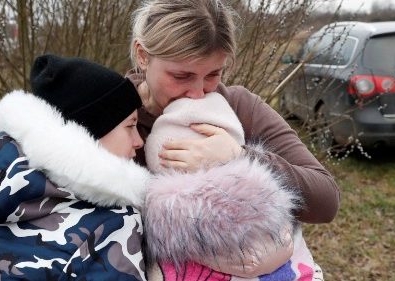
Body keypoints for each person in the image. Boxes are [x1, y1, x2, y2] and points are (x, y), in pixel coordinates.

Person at [128, 0, 340, 226]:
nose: (198, 93)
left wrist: (240, 159)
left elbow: (326, 201)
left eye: (213, 74)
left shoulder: (239, 106)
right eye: (181, 76)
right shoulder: (111, 113)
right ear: (143, 56)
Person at [0, 54, 151, 280]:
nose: (139, 141)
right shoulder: (113, 223)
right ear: (90, 133)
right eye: (130, 126)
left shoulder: (2, 204)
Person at [143, 92, 322, 280]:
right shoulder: (276, 213)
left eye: (213, 74)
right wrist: (243, 155)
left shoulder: (159, 233)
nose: (196, 89)